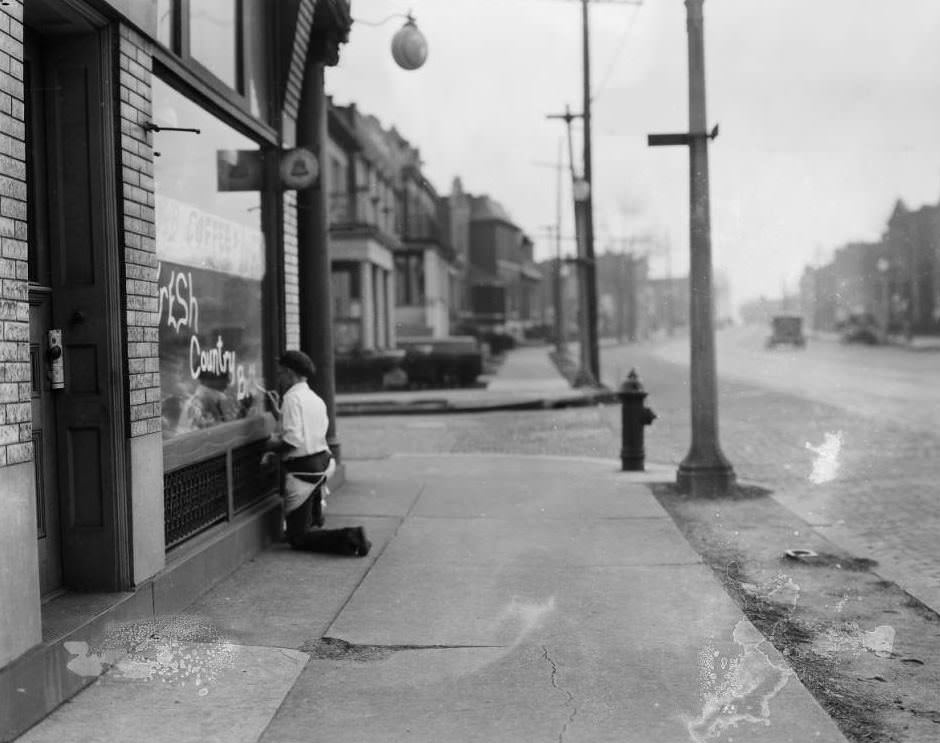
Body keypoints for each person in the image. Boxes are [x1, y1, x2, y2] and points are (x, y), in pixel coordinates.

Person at [262, 350, 370, 557]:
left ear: (289, 372)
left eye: (280, 372)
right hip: (322, 465)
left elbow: (293, 440)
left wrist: (270, 446)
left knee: (298, 538)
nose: (278, 377)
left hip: (302, 471)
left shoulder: (292, 398)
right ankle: (314, 519)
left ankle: (352, 536)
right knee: (308, 525)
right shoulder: (316, 398)